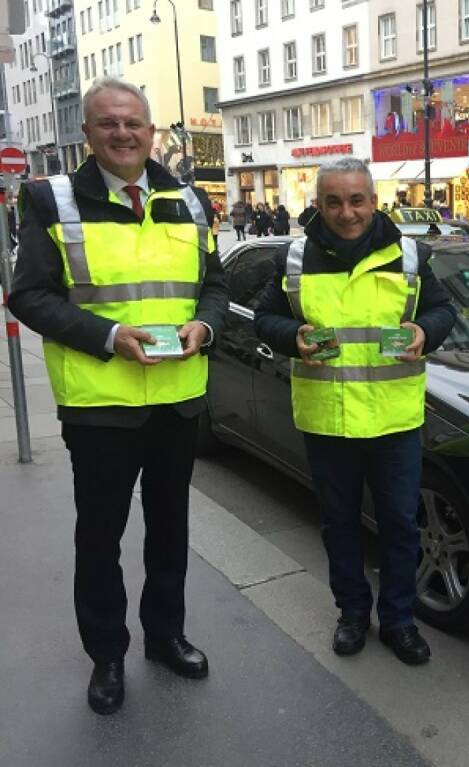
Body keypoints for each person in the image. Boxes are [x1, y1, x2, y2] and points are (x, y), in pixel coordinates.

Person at [7, 76, 229, 715]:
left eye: (133, 123)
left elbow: (210, 284)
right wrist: (109, 336)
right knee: (100, 536)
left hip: (176, 397)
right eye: (109, 123)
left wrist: (204, 325)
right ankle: (107, 654)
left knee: (170, 530)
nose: (123, 133)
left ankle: (165, 636)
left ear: (151, 131)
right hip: (101, 404)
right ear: (88, 134)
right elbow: (29, 295)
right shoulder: (52, 200)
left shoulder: (187, 197)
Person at [254, 158, 456, 667]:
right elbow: (264, 317)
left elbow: (443, 310)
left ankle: (399, 621)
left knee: (400, 526)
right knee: (339, 525)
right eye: (334, 201)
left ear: (374, 200)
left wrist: (424, 332)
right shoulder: (295, 258)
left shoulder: (409, 256)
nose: (347, 213)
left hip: (393, 419)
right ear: (318, 203)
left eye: (357, 200)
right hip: (329, 417)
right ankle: (351, 614)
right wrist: (290, 337)